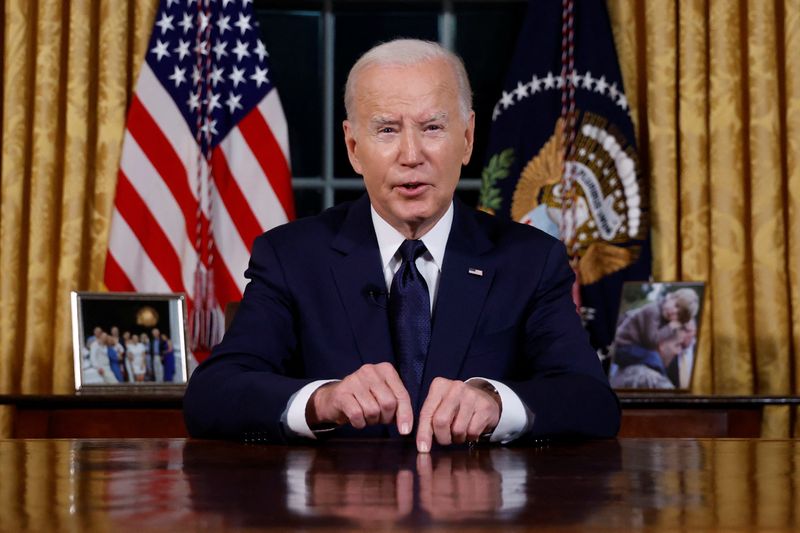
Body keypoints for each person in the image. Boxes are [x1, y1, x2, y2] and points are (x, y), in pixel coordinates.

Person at [183, 39, 619, 450]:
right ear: (354, 147)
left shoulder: (529, 259)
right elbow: (213, 394)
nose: (411, 154)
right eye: (387, 130)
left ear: (467, 138)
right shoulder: (293, 257)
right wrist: (323, 400)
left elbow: (591, 400)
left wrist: (496, 403)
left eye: (432, 127)